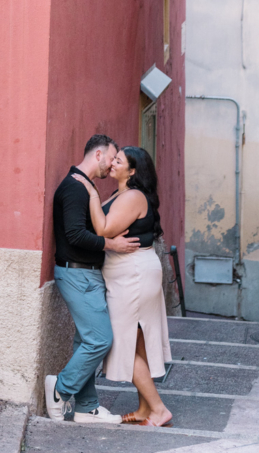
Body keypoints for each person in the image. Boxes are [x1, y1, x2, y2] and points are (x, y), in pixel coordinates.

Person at [45, 133, 141, 424]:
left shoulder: (85, 187)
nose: (112, 165)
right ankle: (60, 389)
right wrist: (112, 245)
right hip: (77, 274)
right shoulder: (75, 188)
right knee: (100, 340)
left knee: (84, 341)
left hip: (85, 274)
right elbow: (75, 234)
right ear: (98, 155)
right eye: (111, 158)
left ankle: (87, 406)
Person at [77, 146, 173, 427]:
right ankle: (145, 408)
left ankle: (157, 409)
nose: (112, 163)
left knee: (121, 341)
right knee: (137, 340)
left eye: (118, 161)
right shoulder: (121, 194)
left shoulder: (132, 196)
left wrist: (91, 193)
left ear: (132, 171)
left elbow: (105, 229)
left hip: (133, 275)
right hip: (128, 273)